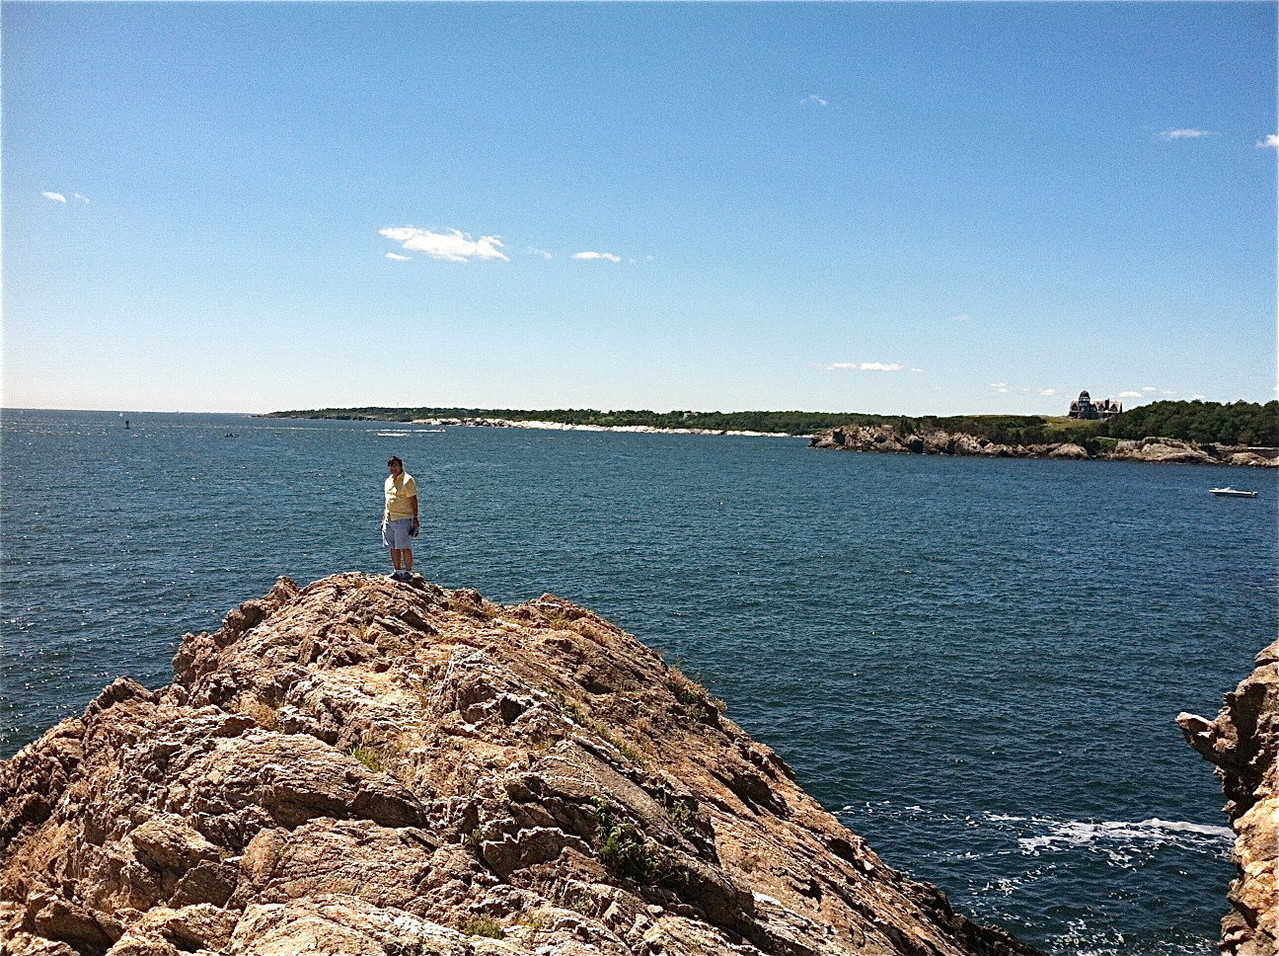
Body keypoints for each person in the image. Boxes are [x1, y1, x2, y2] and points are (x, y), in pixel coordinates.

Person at [382, 456, 419, 581]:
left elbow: (413, 500)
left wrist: (415, 518)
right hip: (390, 518)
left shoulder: (408, 480)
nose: (393, 468)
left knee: (404, 546)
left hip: (403, 518)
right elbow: (387, 500)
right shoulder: (388, 481)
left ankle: (408, 572)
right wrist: (384, 518)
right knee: (393, 546)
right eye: (391, 466)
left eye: (396, 465)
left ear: (401, 466)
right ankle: (397, 571)